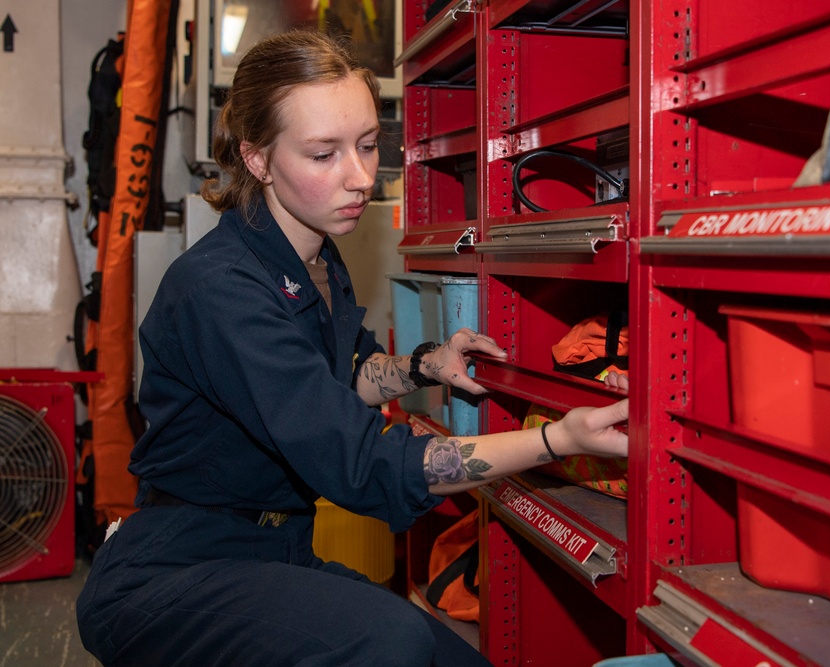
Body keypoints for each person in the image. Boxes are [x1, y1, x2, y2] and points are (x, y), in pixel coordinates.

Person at [76, 28, 628, 667]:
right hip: (175, 569)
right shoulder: (219, 288)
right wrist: (558, 440)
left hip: (273, 553)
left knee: (449, 658)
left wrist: (427, 364)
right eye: (322, 154)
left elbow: (344, 371)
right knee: (389, 644)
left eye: (368, 146)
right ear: (257, 159)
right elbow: (364, 465)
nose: (360, 177)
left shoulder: (315, 257)